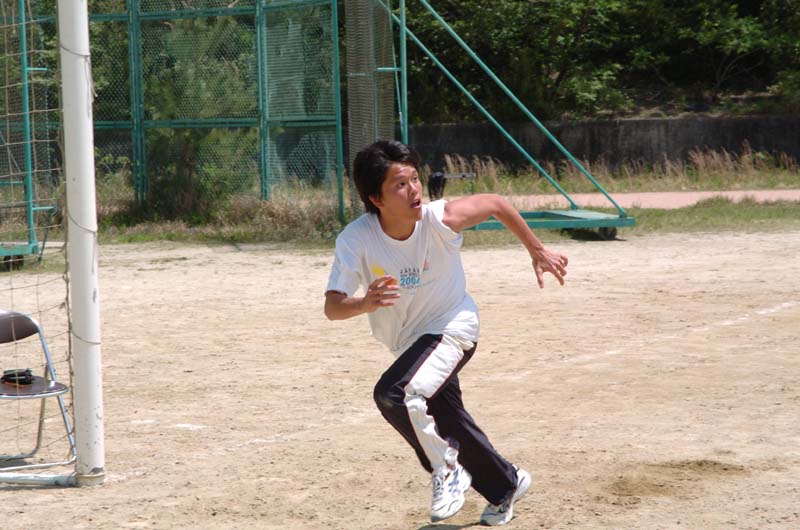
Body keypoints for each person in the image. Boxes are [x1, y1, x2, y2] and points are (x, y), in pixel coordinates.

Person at [324, 140, 568, 525]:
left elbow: (496, 203)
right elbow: (333, 307)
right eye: (400, 184)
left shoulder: (439, 219)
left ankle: (448, 469)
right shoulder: (356, 239)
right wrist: (364, 303)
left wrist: (537, 250)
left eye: (415, 179)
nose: (414, 190)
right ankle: (506, 484)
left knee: (394, 393)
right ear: (376, 198)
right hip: (411, 344)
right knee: (447, 420)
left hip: (453, 327)